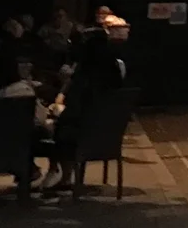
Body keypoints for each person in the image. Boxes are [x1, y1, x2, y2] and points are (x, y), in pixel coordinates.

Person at [43, 29, 126, 193]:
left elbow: (75, 109)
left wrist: (57, 113)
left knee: (56, 129)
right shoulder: (114, 71)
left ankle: (64, 176)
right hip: (108, 131)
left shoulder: (85, 76)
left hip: (83, 132)